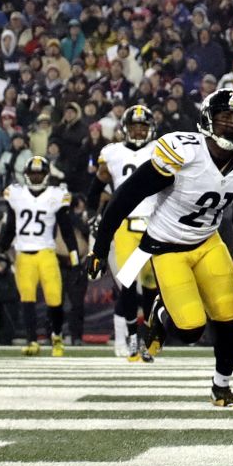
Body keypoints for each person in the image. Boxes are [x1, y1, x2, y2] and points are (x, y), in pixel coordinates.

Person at [85, 89, 233, 408]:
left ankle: (221, 388)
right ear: (208, 119)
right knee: (190, 330)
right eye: (225, 116)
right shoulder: (182, 151)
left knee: (228, 318)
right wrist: (100, 248)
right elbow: (126, 196)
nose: (232, 125)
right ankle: (161, 311)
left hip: (208, 242)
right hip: (167, 246)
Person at [88, 105, 158, 361]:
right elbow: (95, 188)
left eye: (142, 126)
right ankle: (131, 337)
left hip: (155, 225)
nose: (139, 131)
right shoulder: (113, 153)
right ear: (125, 130)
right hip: (126, 226)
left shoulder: (160, 149)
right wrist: (92, 215)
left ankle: (148, 336)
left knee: (152, 284)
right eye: (134, 126)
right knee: (128, 283)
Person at [0, 156, 80, 357]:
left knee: (54, 298)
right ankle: (32, 341)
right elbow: (10, 226)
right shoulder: (16, 194)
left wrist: (73, 253)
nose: (36, 177)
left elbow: (66, 227)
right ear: (26, 175)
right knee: (27, 300)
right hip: (23, 254)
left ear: (46, 175)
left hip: (46, 252)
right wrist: (0, 248)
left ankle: (57, 338)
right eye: (33, 174)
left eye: (39, 174)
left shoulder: (55, 194)